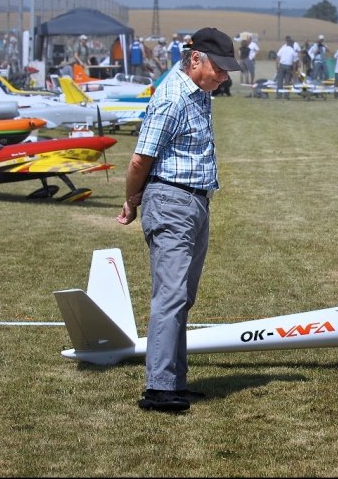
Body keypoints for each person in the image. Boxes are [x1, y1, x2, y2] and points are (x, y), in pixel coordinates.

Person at [115, 27, 241, 412]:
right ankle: (159, 388)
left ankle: (175, 381)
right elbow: (140, 160)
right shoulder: (172, 98)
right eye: (220, 68)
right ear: (196, 59)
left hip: (195, 202)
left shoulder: (199, 92)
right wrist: (132, 201)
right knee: (170, 295)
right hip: (172, 201)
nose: (224, 77)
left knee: (182, 296)